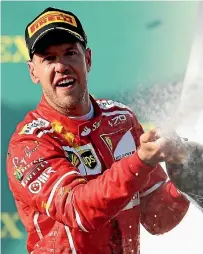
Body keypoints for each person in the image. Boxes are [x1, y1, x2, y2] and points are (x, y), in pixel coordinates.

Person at [6, 7, 190, 254]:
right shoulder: (29, 142)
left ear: (88, 59)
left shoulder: (122, 120)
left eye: (70, 53)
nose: (61, 66)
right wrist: (140, 161)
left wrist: (186, 175)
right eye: (49, 58)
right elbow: (79, 210)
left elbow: (157, 219)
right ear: (33, 72)